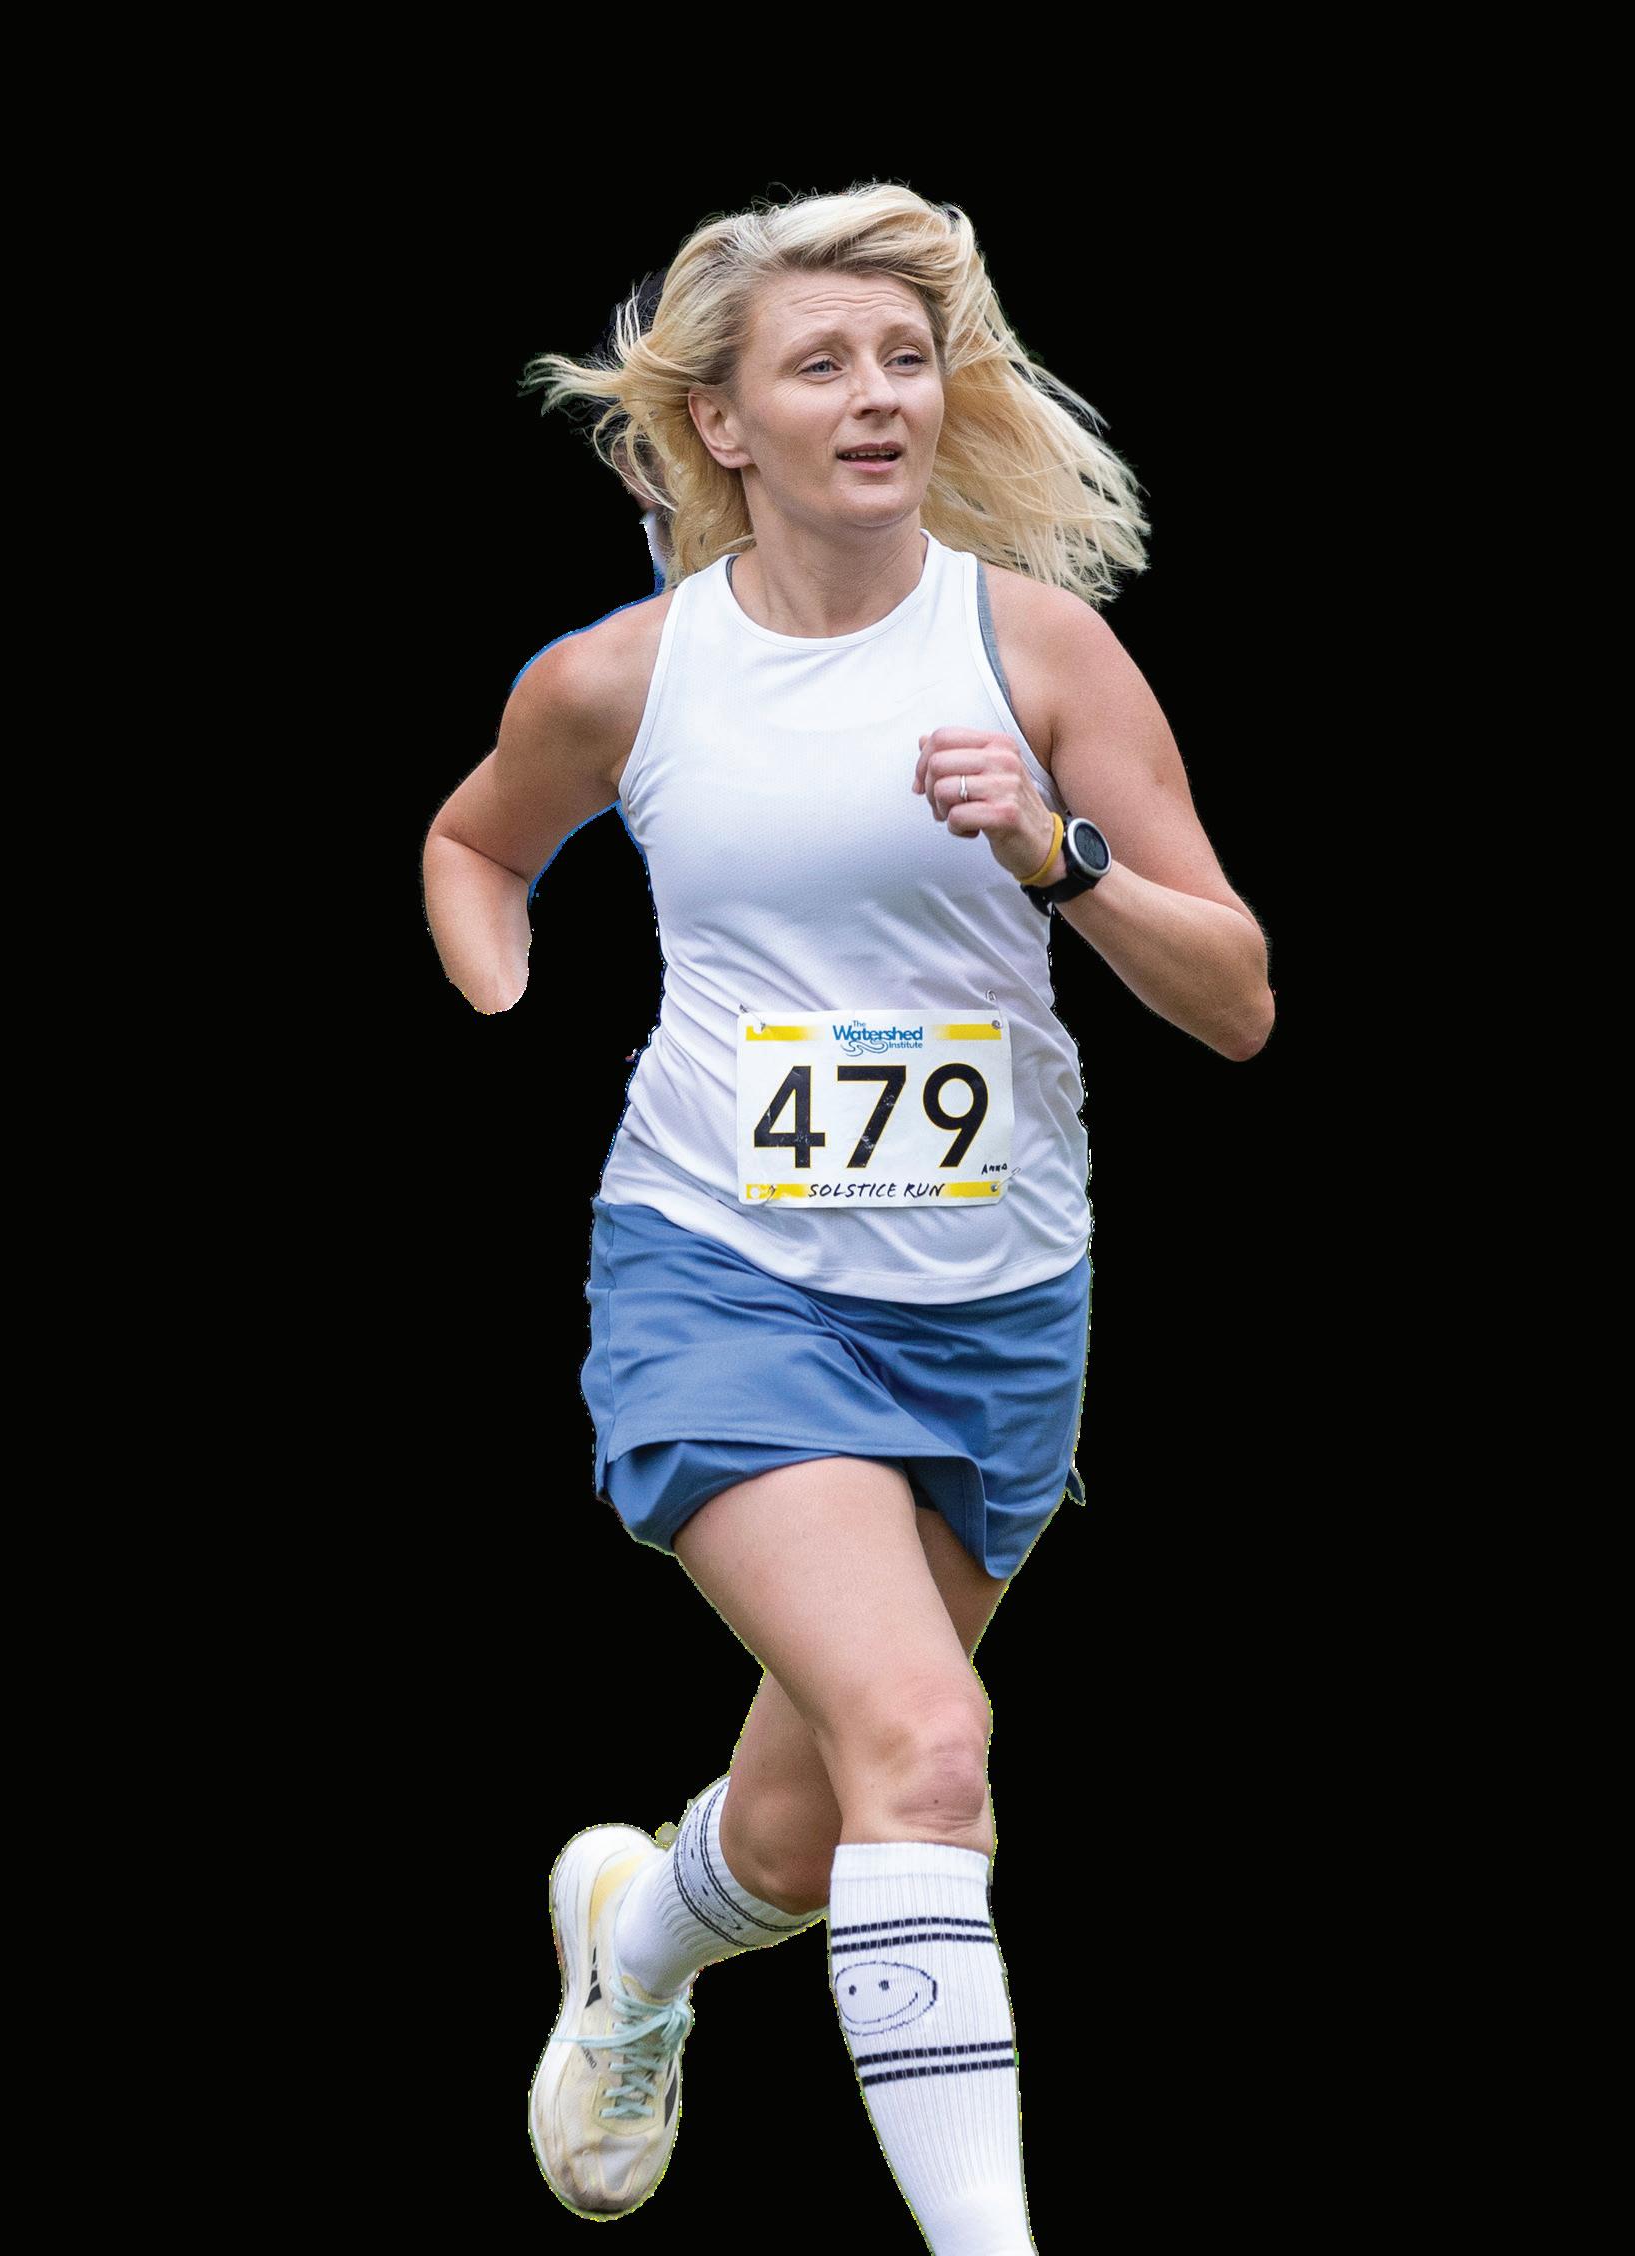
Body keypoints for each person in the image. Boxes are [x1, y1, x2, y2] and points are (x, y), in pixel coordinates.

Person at [420, 183, 1273, 2250]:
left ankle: (633, 1948)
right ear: (724, 423)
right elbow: (474, 839)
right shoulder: (628, 679)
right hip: (724, 1273)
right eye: (824, 365)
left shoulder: (1037, 648)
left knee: (816, 1840)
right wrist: (503, 976)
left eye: (907, 359)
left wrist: (1058, 854)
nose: (880, 396)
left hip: (997, 1305)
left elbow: (1238, 997)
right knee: (929, 1746)